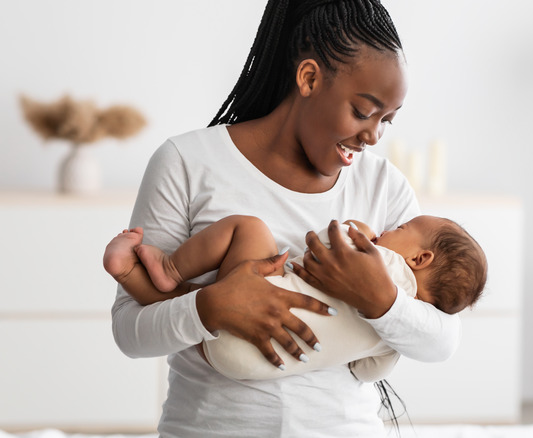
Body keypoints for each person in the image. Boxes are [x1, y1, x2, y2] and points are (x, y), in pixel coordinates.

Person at [110, 1, 464, 436]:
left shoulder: (383, 186)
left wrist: (381, 302)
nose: (373, 136)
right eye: (362, 111)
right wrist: (210, 306)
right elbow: (130, 332)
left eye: (387, 120)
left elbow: (443, 338)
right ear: (309, 78)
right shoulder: (188, 162)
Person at [104, 215, 487, 381]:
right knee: (210, 299)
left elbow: (320, 245)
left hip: (228, 329)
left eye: (401, 227)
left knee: (249, 229)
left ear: (420, 258)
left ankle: (168, 269)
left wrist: (356, 230)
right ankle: (129, 272)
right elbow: (366, 372)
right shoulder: (395, 339)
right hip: (246, 366)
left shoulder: (381, 259)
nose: (390, 228)